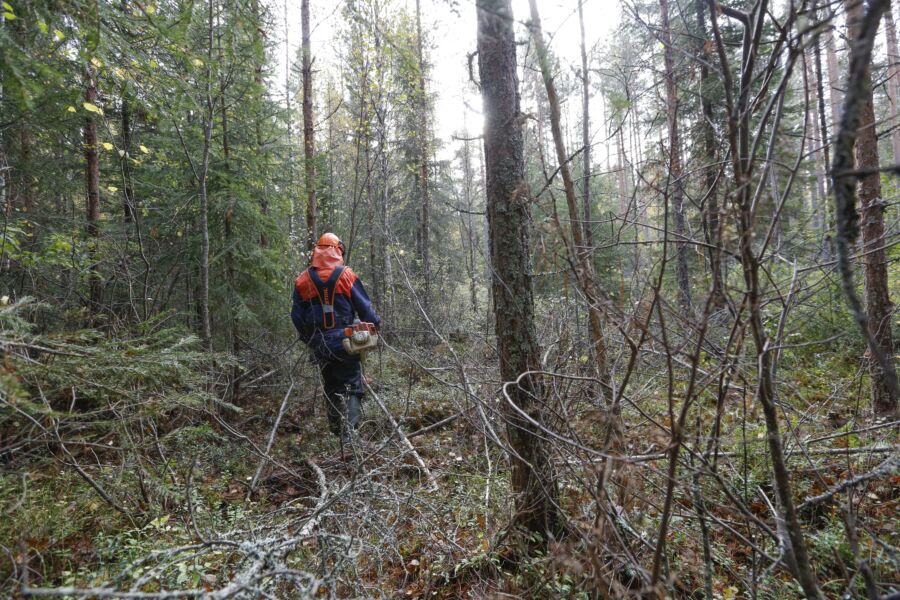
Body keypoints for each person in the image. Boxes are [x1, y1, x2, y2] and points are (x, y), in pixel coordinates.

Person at [291, 233, 381, 445]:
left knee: (331, 384)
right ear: (338, 250)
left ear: (317, 251)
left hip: (320, 344)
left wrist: (310, 340)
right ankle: (349, 439)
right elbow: (365, 309)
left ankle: (336, 432)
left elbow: (296, 316)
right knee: (352, 385)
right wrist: (375, 325)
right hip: (346, 341)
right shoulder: (346, 275)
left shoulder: (302, 280)